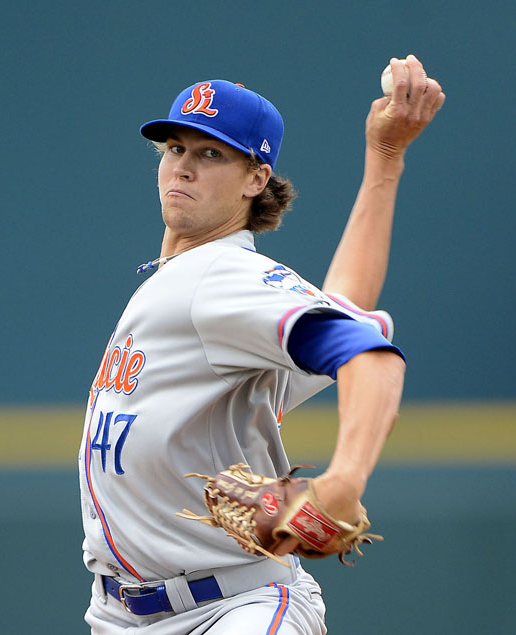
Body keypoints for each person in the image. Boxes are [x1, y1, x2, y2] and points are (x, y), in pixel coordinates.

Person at [79, 55, 445, 634]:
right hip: (123, 617)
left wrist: (344, 480)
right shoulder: (201, 289)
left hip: (236, 609)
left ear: (256, 179)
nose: (183, 167)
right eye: (175, 148)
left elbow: (369, 357)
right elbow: (346, 306)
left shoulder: (218, 276)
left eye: (211, 154)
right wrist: (385, 157)